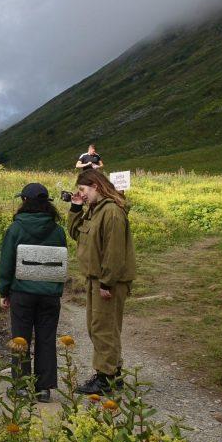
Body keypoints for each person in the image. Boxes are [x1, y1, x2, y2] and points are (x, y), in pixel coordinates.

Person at [0, 182, 67, 403]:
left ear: (25, 202)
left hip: (22, 292)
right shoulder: (57, 230)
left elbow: (6, 262)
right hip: (49, 294)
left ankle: (19, 386)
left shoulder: (16, 228)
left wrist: (4, 290)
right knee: (46, 338)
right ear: (47, 204)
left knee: (21, 338)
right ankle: (43, 389)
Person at [68, 169, 136, 395]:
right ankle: (112, 374)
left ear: (95, 186)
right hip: (95, 279)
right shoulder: (94, 210)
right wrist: (76, 208)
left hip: (107, 282)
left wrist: (107, 282)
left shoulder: (112, 212)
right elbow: (76, 233)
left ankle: (105, 379)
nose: (82, 194)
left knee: (103, 328)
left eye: (83, 190)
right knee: (98, 327)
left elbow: (114, 252)